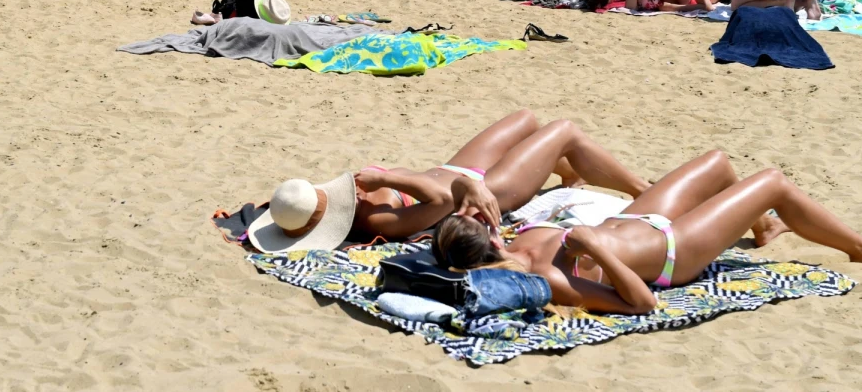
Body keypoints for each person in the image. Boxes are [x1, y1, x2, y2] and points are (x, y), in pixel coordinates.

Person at [433, 150, 862, 315]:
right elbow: (641, 304)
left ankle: (763, 229)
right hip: (670, 253)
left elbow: (446, 210)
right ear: (490, 243)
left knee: (718, 163)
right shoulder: (543, 278)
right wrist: (597, 247)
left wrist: (467, 189)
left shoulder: (505, 243)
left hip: (638, 218)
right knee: (772, 183)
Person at [246, 110, 653, 252]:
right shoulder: (377, 222)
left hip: (460, 168)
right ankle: (643, 194)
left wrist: (380, 178)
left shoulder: (353, 197)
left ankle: (568, 174)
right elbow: (442, 200)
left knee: (526, 120)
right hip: (484, 191)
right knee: (563, 130)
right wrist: (389, 178)